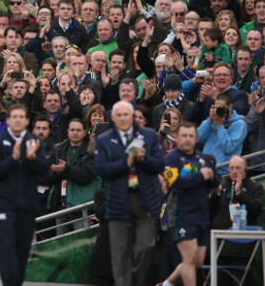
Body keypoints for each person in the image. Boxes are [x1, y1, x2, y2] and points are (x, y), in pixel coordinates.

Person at [94, 101, 165, 286]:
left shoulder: (148, 136)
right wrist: (126, 162)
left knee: (144, 248)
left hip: (145, 199)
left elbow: (159, 165)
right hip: (118, 199)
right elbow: (101, 169)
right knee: (120, 253)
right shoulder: (104, 140)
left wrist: (143, 159)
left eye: (127, 114)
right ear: (113, 118)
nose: (124, 118)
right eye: (120, 115)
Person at [0, 103, 48, 286]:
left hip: (28, 205)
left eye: (22, 117)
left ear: (27, 120)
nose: (18, 120)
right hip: (5, 205)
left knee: (22, 253)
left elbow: (45, 170)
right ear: (8, 120)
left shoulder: (34, 142)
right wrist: (13, 159)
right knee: (6, 251)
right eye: (14, 117)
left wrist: (31, 159)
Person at [159, 122, 220, 286]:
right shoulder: (170, 159)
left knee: (197, 261)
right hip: (181, 215)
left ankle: (166, 284)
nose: (187, 139)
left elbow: (216, 181)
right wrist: (201, 176)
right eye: (184, 136)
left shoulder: (202, 158)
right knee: (189, 258)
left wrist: (210, 175)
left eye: (191, 136)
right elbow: (175, 183)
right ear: (177, 137)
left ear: (196, 138)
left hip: (201, 216)